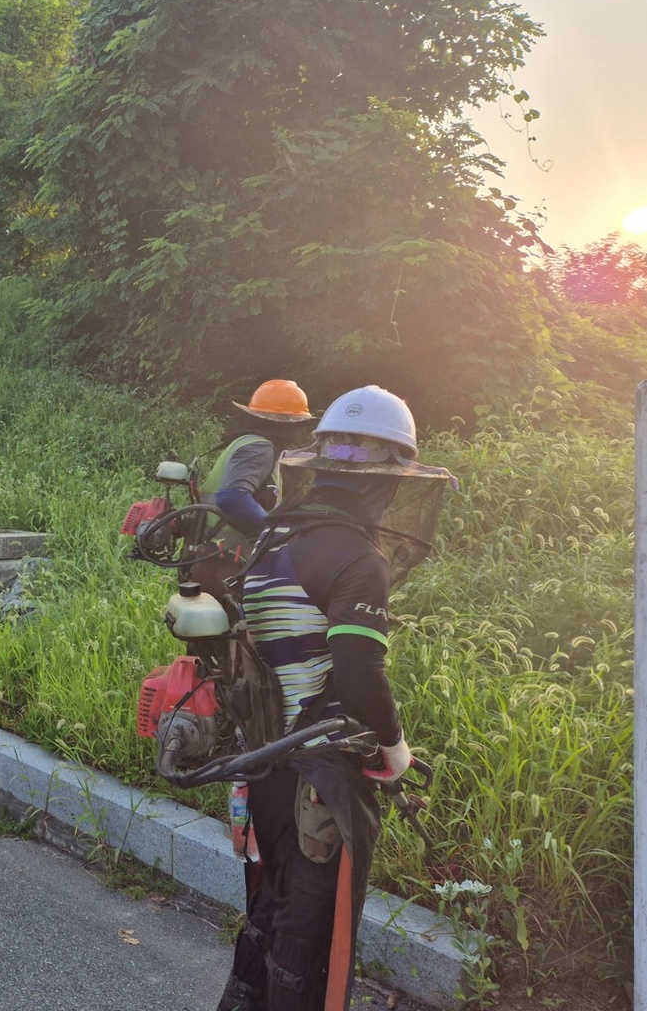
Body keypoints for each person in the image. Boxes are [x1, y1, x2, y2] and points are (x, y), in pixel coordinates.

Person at [217, 385, 455, 1011]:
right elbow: (357, 672)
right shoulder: (357, 557)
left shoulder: (271, 536)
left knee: (270, 896)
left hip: (266, 756)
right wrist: (396, 748)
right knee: (313, 920)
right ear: (389, 478)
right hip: (320, 767)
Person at [189, 380, 314, 594]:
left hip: (213, 553)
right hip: (225, 560)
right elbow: (232, 497)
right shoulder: (260, 447)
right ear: (286, 423)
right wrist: (274, 535)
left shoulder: (247, 442)